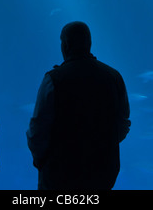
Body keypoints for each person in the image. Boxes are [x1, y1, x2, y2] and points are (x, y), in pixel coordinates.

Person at [27, 21, 131, 190]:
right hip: (102, 173)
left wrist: (41, 161)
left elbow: (38, 129)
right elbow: (123, 123)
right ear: (89, 43)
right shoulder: (113, 77)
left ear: (66, 44)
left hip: (60, 174)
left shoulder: (54, 79)